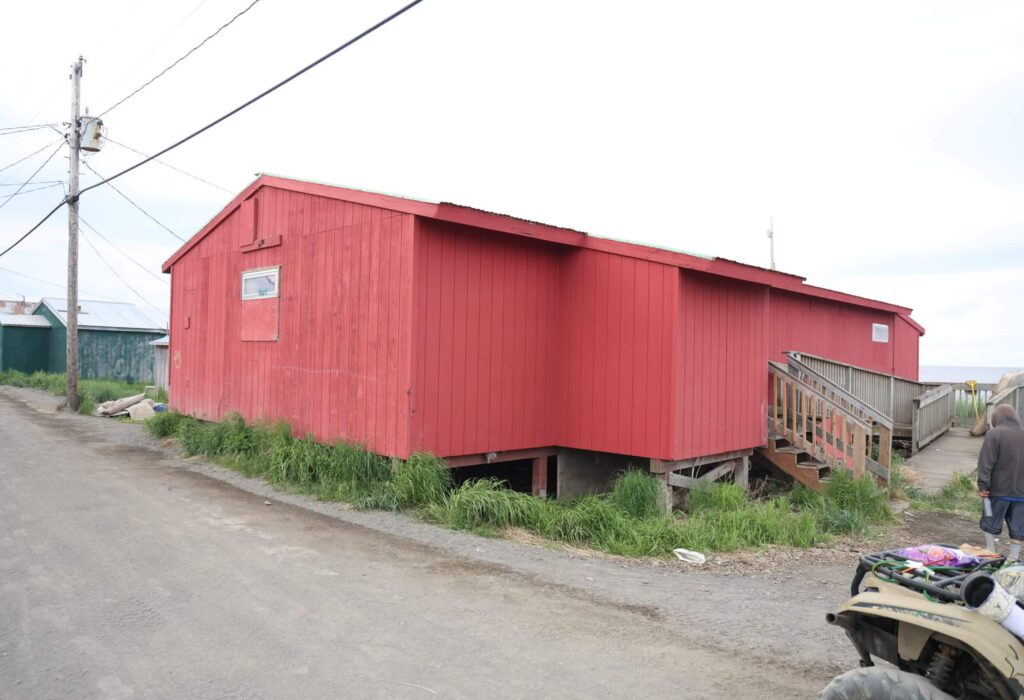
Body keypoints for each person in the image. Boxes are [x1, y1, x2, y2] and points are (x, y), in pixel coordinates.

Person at [978, 405, 1024, 560]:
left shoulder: (994, 434)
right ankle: (1013, 558)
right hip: (1022, 495)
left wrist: (983, 485)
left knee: (990, 519)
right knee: (1019, 526)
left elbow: (986, 462)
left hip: (997, 492)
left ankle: (990, 551)